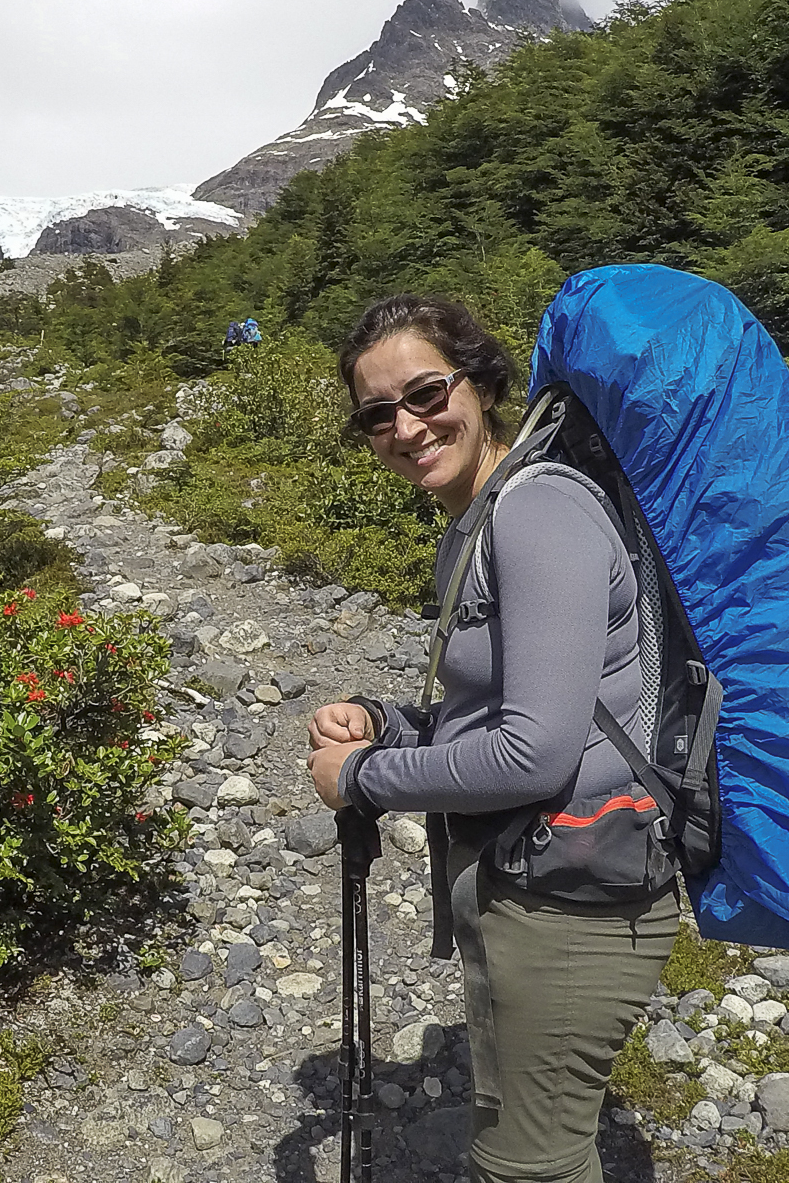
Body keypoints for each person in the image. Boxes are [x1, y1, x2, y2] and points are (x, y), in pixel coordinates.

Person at [306, 294, 676, 1183]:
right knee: (533, 1149)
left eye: (427, 393)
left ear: (480, 383)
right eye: (377, 414)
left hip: (571, 902)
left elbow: (534, 754)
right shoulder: (480, 515)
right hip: (537, 877)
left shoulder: (537, 513)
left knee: (528, 1166)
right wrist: (389, 721)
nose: (407, 426)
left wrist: (362, 776)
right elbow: (502, 706)